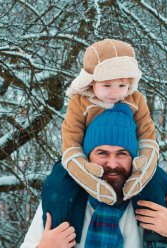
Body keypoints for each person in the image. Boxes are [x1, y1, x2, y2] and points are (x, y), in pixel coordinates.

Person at [20, 103, 167, 248]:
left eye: (122, 153)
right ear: (87, 157)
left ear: (134, 158)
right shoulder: (63, 197)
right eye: (102, 153)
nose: (112, 164)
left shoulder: (154, 200)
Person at [61, 38, 159, 205]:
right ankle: (59, 220)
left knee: (159, 181)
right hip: (89, 157)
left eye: (122, 85)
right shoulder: (80, 102)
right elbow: (71, 136)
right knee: (58, 183)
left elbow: (146, 131)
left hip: (127, 157)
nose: (115, 93)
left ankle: (154, 221)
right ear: (92, 83)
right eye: (107, 85)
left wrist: (144, 159)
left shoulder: (135, 99)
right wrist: (81, 164)